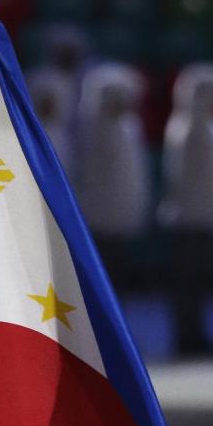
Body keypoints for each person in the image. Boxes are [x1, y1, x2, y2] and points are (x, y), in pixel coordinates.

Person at [158, 61, 213, 357]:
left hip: (206, 217)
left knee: (199, 282)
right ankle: (187, 336)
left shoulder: (212, 125)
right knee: (187, 282)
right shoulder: (187, 126)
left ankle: (197, 332)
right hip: (189, 218)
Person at [76, 61, 150, 293]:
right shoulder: (94, 127)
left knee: (120, 269)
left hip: (123, 208)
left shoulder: (130, 126)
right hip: (100, 210)